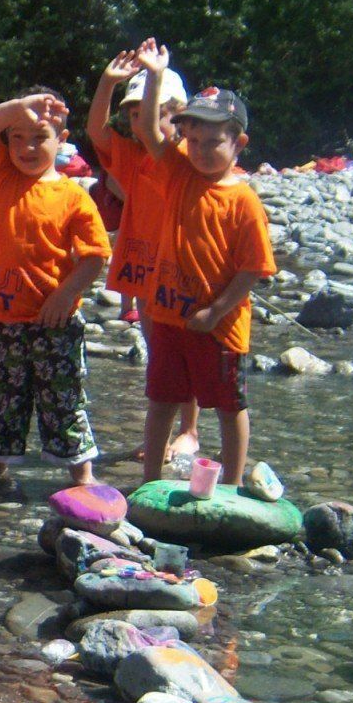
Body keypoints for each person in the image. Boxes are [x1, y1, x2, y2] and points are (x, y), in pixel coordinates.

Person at [130, 41, 276, 484]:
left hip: (219, 325)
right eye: (193, 140)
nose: (200, 150)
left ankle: (231, 483)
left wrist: (217, 310)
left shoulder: (244, 201)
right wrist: (156, 76)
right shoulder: (178, 172)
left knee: (230, 406)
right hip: (169, 316)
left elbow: (252, 268)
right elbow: (151, 135)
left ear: (239, 143)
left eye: (214, 142)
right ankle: (150, 480)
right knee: (161, 400)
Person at [0, 89, 112, 485]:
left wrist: (66, 295)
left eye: (40, 137)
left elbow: (96, 255)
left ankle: (83, 478)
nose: (28, 147)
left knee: (63, 401)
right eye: (17, 137)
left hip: (54, 323)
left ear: (61, 141)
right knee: (0, 402)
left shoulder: (73, 197)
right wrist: (16, 108)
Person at [84, 49, 198, 463]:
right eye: (130, 114)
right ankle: (163, 433)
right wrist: (108, 83)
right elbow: (96, 130)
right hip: (143, 264)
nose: (139, 122)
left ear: (179, 118)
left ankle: (189, 430)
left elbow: (153, 131)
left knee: (181, 347)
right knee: (158, 348)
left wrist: (155, 75)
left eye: (148, 113)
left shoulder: (185, 158)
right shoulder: (130, 156)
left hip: (177, 267)